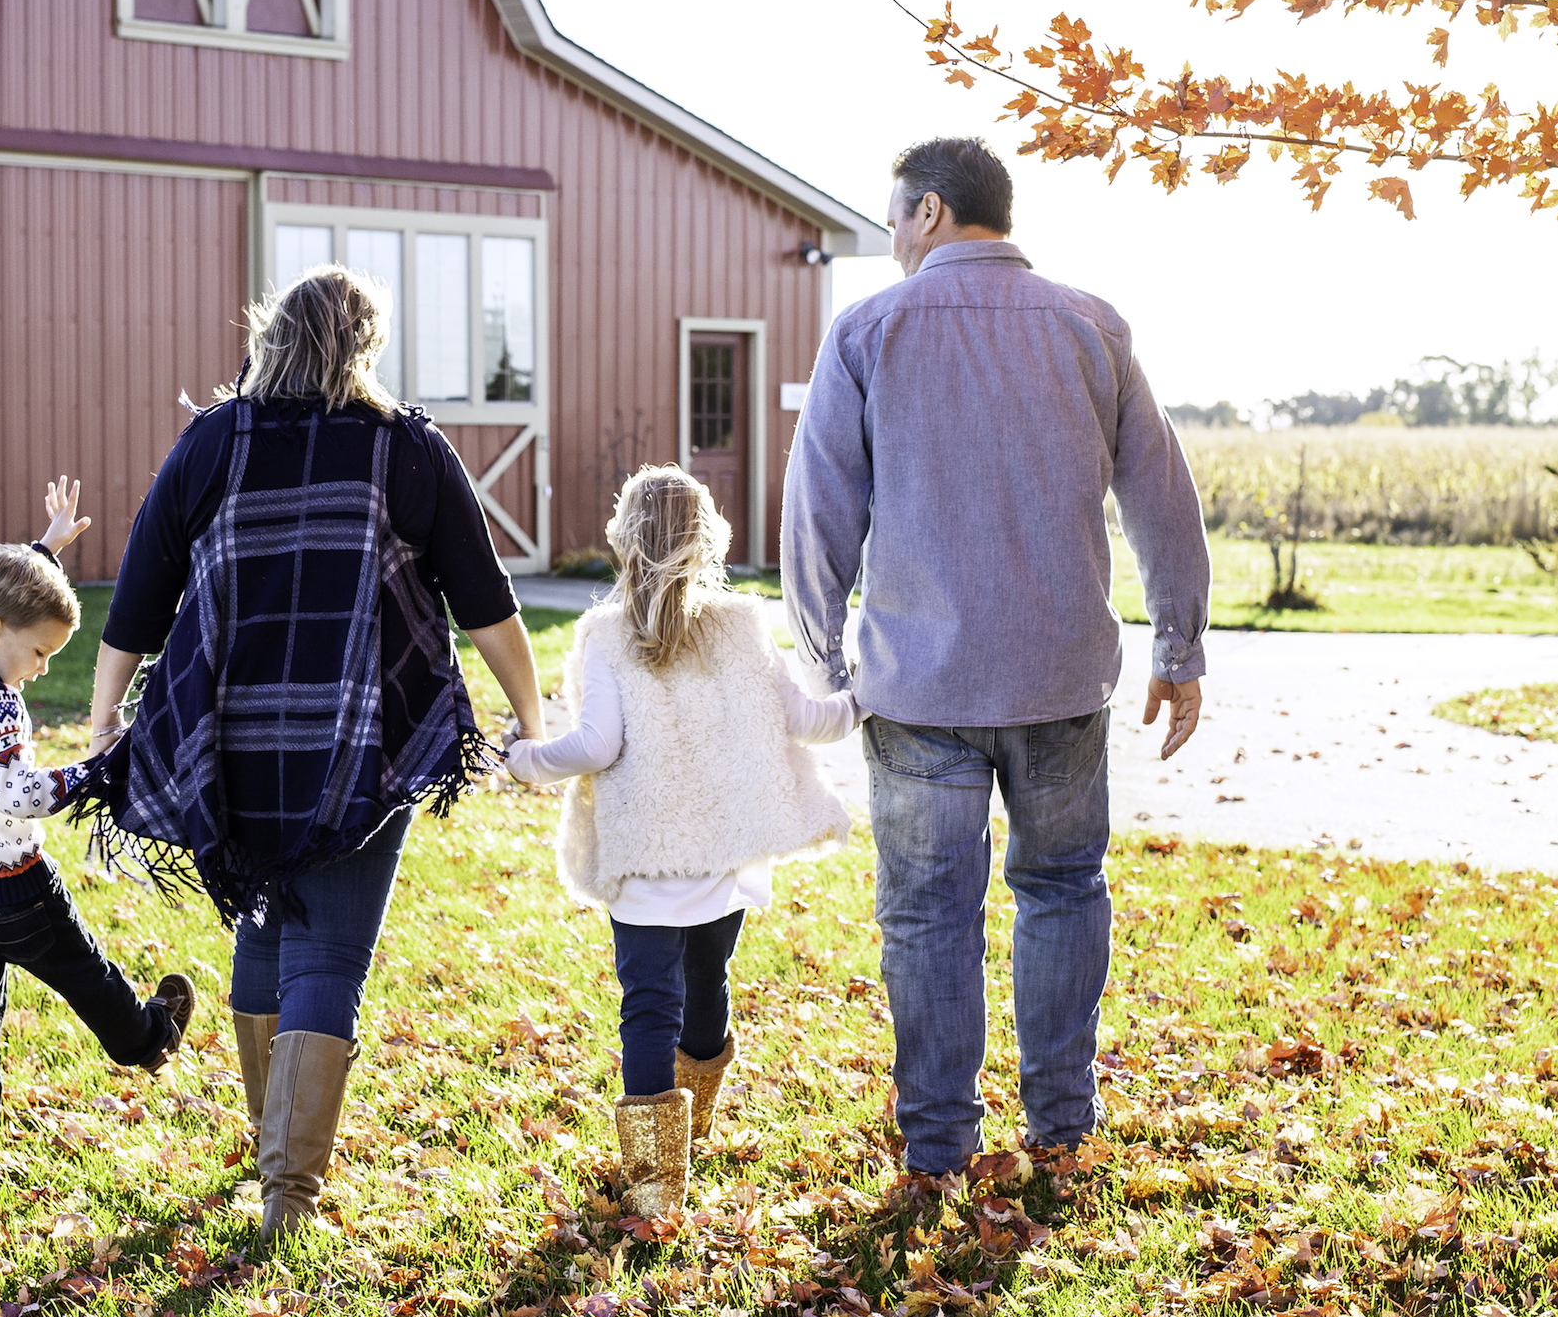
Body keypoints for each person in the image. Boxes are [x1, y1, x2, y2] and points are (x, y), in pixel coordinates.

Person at [78, 267, 544, 1247]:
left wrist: (104, 714)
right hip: (359, 744)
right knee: (325, 950)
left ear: (272, 337)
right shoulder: (406, 447)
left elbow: (142, 586)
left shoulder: (215, 439)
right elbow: (485, 598)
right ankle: (287, 1195)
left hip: (227, 743)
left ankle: (273, 1154)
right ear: (364, 345)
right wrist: (530, 713)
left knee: (262, 925)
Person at [781, 136, 1211, 1187]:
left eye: (895, 217)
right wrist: (1178, 644)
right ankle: (1061, 1127)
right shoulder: (1091, 326)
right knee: (1061, 890)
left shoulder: (868, 331)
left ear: (930, 210)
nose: (892, 238)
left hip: (917, 688)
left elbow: (818, 507)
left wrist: (824, 657)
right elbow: (1162, 495)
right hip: (1059, 679)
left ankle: (939, 1147)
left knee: (928, 914)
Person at [504, 467, 857, 1219]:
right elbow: (803, 718)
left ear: (625, 540)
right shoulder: (740, 626)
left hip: (644, 858)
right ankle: (690, 1123)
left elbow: (596, 744)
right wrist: (863, 700)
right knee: (706, 984)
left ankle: (655, 1181)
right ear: (707, 540)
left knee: (647, 1007)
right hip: (721, 856)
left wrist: (528, 758)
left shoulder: (606, 636)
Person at [0, 478, 196, 1190]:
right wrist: (97, 770)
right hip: (14, 895)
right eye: (39, 653)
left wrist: (44, 552)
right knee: (88, 977)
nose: (39, 670)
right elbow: (20, 793)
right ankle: (149, 1040)